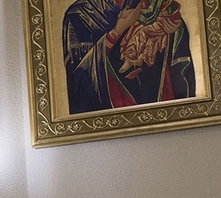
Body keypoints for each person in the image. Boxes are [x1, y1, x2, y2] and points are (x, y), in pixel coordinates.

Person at [62, 0, 195, 114]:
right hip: (110, 125)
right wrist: (116, 32)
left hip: (162, 122)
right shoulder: (80, 15)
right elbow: (78, 82)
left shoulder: (158, 11)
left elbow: (181, 78)